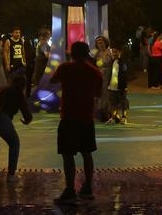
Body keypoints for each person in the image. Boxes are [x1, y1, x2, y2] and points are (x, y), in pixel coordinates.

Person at [50, 40, 102, 205]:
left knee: (67, 155)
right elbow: (99, 94)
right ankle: (87, 188)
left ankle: (70, 189)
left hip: (69, 117)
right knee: (87, 153)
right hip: (86, 117)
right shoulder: (95, 72)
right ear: (87, 54)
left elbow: (53, 80)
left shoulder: (65, 68)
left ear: (71, 53)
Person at [91, 35, 114, 121]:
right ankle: (100, 112)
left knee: (106, 93)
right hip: (99, 74)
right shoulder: (97, 53)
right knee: (99, 93)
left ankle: (108, 112)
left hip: (107, 74)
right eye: (98, 42)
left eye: (101, 42)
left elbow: (110, 63)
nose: (100, 44)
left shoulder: (109, 52)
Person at [106, 46, 129, 124]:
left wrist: (124, 86)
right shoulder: (112, 62)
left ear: (120, 52)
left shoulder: (123, 62)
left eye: (116, 52)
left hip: (121, 87)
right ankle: (114, 117)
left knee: (123, 102)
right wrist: (108, 84)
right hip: (112, 86)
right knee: (113, 103)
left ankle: (124, 117)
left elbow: (124, 75)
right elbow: (110, 74)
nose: (114, 53)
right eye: (113, 52)